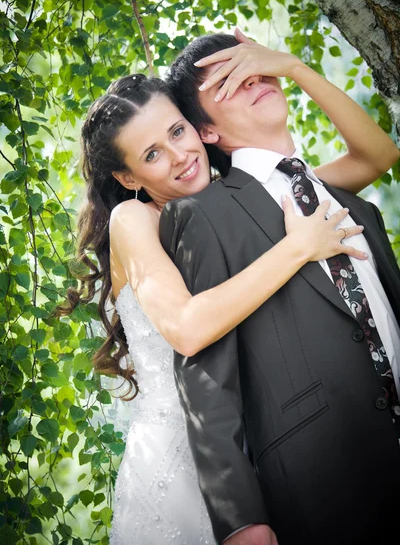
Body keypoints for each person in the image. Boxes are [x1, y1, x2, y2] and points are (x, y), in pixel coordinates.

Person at [59, 49, 392, 544]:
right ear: (128, 179)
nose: (178, 156)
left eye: (177, 132)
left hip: (259, 440)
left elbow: (377, 158)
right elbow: (189, 329)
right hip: (186, 455)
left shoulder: (234, 206)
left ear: (197, 129)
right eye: (151, 154)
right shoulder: (135, 220)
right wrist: (297, 247)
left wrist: (295, 69)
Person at [159, 28, 400, 545]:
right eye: (227, 79)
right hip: (325, 484)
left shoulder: (353, 205)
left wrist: (293, 66)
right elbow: (206, 378)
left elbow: (381, 153)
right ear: (206, 131)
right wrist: (240, 519)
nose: (252, 78)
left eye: (255, 64)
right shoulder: (206, 215)